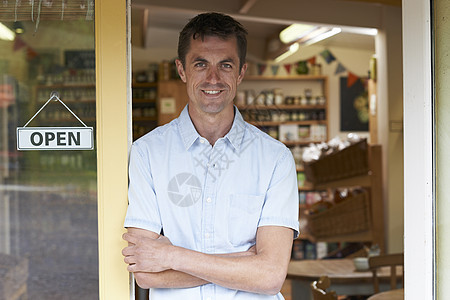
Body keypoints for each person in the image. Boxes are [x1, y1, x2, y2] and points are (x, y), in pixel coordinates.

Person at [122, 12, 299, 300]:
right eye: (200, 64)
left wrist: (170, 255)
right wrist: (243, 264)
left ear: (241, 72)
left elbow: (269, 277)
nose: (213, 78)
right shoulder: (147, 153)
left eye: (225, 65)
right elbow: (144, 272)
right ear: (182, 70)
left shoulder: (275, 159)